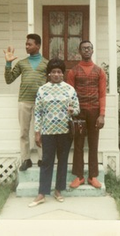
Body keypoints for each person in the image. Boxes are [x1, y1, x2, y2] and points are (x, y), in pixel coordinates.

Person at [28, 58, 80, 207]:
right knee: (46, 162)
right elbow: (37, 113)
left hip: (65, 132)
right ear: (49, 74)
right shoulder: (42, 90)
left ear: (63, 74)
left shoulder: (69, 89)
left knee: (62, 162)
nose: (56, 74)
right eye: (53, 72)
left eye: (59, 72)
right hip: (47, 132)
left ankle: (58, 190)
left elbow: (77, 108)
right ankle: (42, 193)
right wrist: (37, 132)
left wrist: (73, 110)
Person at [4, 34, 48, 171]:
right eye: (26, 44)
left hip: (41, 103)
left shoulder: (47, 63)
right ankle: (26, 159)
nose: (26, 46)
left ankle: (42, 159)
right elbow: (9, 79)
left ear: (38, 46)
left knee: (41, 131)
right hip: (24, 101)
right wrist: (8, 63)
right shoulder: (22, 63)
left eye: (29, 44)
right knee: (24, 131)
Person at [67, 40, 107, 189]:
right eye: (84, 48)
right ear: (79, 51)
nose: (87, 50)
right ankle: (79, 176)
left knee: (93, 144)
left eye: (89, 48)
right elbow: (69, 95)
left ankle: (92, 176)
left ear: (93, 51)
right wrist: (71, 113)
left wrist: (102, 114)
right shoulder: (73, 71)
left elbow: (102, 94)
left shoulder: (99, 71)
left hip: (94, 111)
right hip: (78, 112)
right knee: (78, 144)